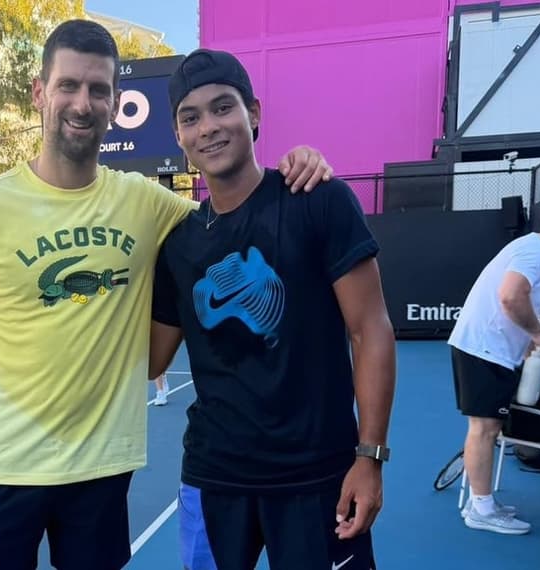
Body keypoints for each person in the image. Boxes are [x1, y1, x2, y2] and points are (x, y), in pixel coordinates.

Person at [0, 20, 334, 570]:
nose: (82, 103)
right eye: (68, 85)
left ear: (114, 103)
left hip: (102, 474)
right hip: (4, 470)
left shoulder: (145, 203)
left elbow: (234, 213)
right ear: (40, 93)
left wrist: (297, 164)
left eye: (98, 90)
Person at [148, 49, 396, 569]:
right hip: (213, 478)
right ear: (177, 136)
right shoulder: (178, 244)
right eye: (189, 118)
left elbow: (369, 330)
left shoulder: (318, 199)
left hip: (318, 479)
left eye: (222, 108)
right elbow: (149, 361)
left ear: (253, 113)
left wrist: (369, 457)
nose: (208, 128)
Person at [448, 217, 540, 535]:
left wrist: (526, 341)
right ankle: (482, 510)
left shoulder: (531, 250)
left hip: (486, 349)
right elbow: (511, 296)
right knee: (484, 429)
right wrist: (537, 333)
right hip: (484, 350)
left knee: (486, 427)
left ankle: (480, 502)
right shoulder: (534, 253)